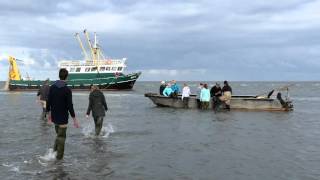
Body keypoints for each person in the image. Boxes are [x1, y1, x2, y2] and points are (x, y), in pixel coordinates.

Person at [46, 68, 80, 160]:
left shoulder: (52, 87)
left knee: (58, 135)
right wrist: (74, 119)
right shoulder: (67, 89)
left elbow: (48, 101)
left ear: (59, 76)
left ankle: (53, 153)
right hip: (63, 117)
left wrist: (48, 115)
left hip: (54, 116)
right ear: (67, 76)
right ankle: (59, 160)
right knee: (61, 137)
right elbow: (70, 105)